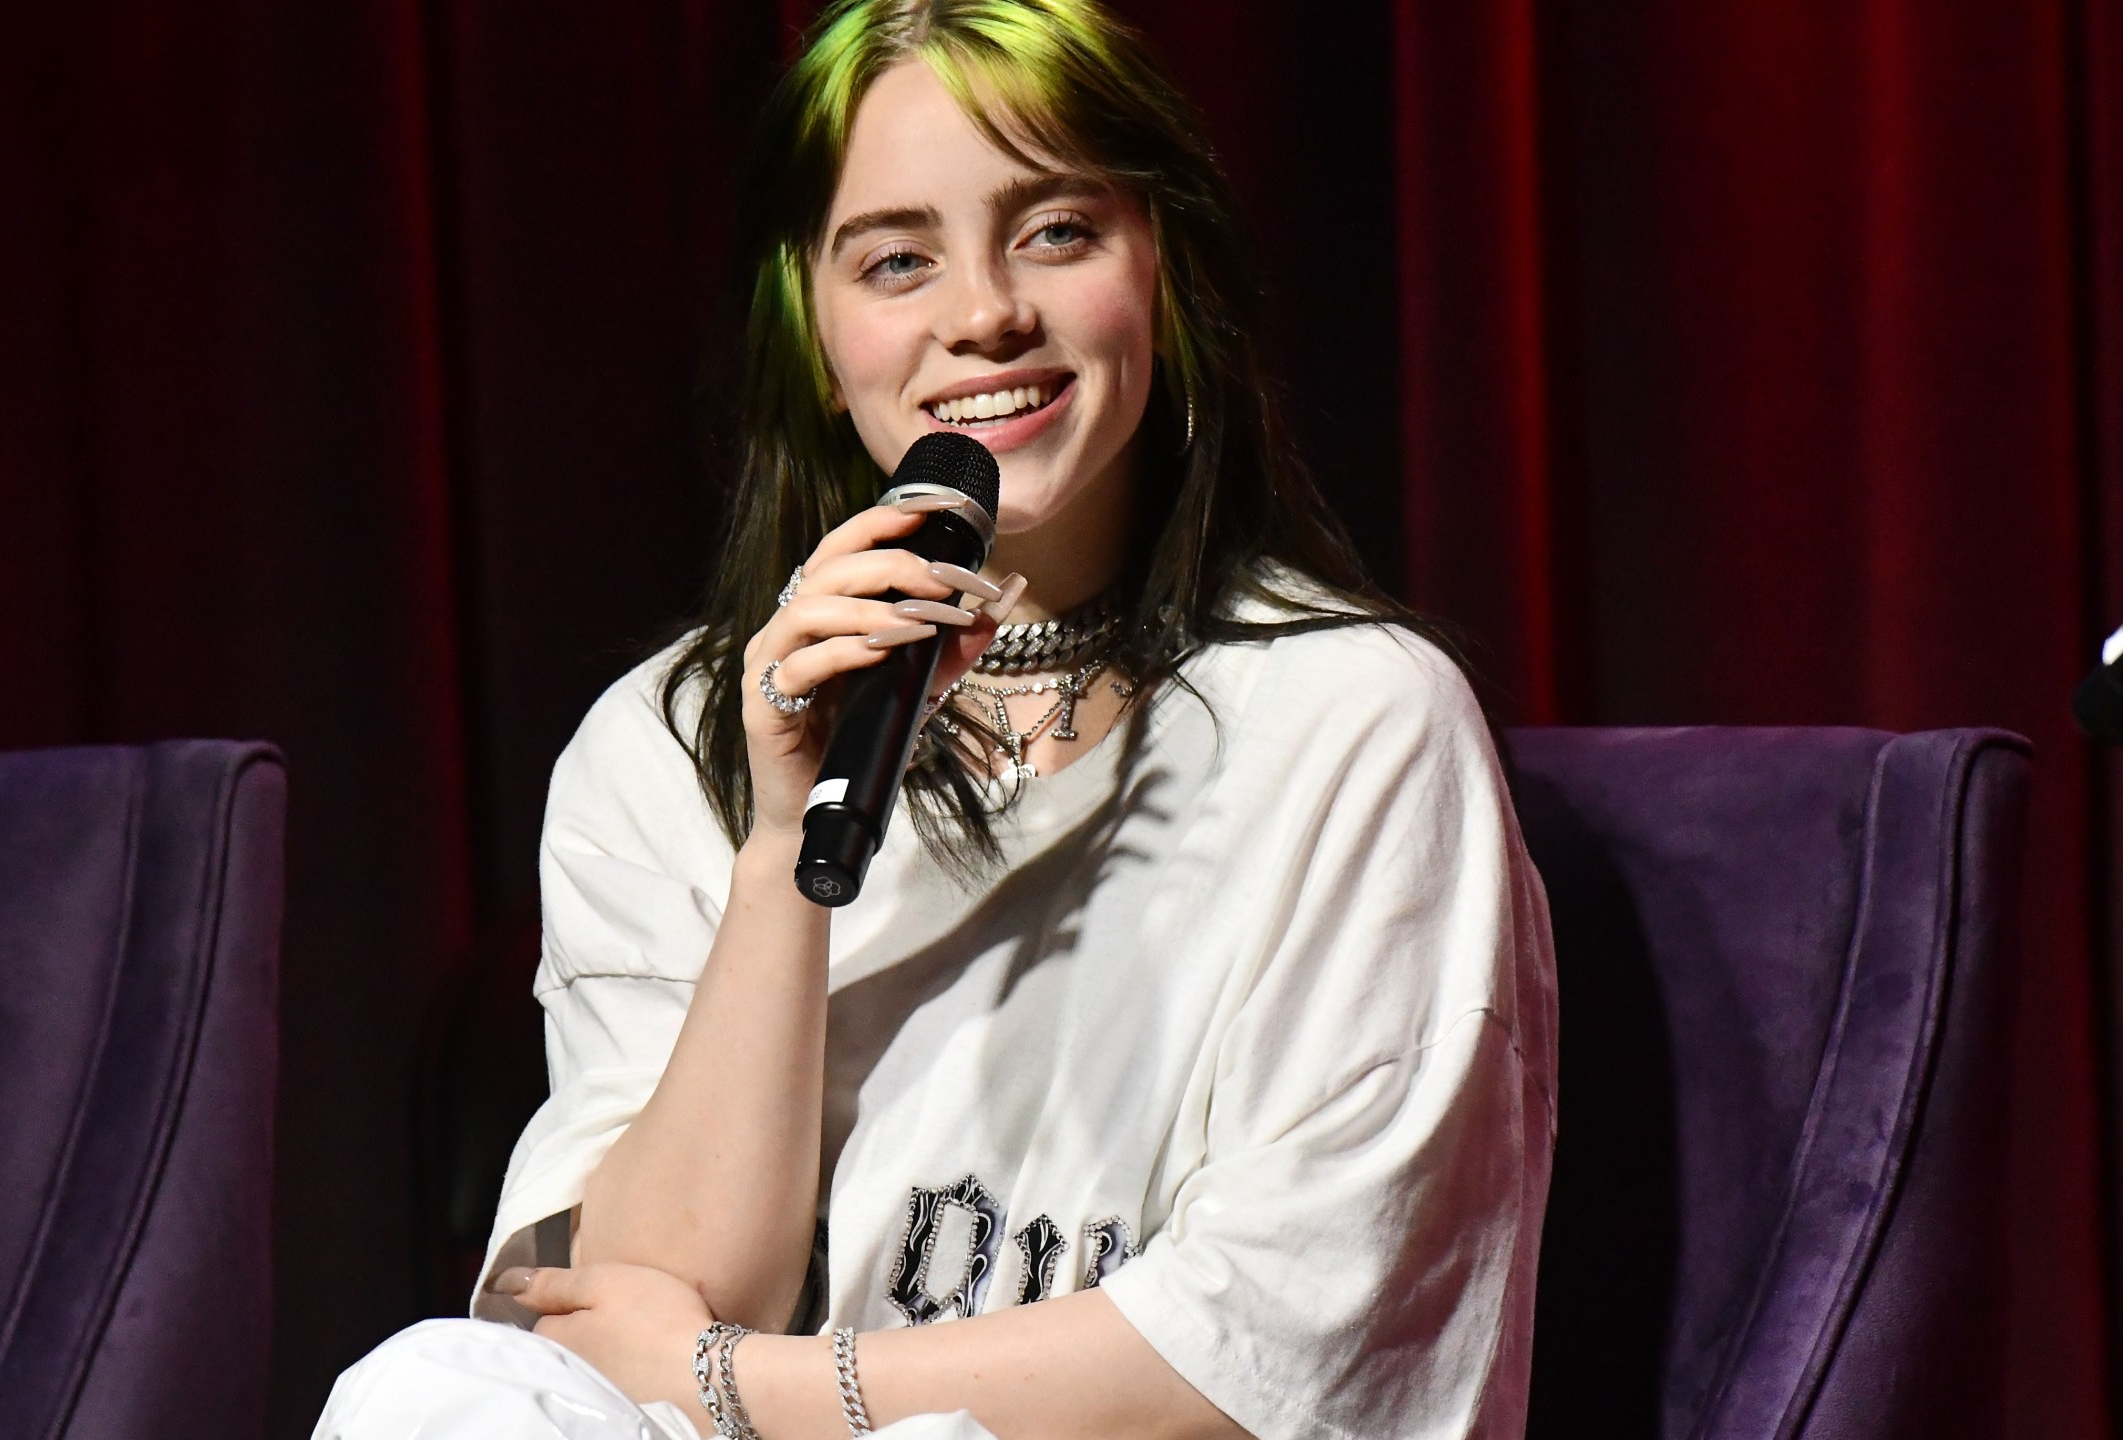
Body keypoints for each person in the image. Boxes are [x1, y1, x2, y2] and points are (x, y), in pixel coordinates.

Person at [316, 1, 1557, 1436]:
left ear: (1163, 270)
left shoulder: (1353, 719)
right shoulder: (667, 739)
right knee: (421, 1393)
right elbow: (622, 1314)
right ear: (812, 316)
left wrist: (740, 1383)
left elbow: (1284, 1343)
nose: (983, 313)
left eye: (1055, 232)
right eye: (898, 259)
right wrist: (786, 839)